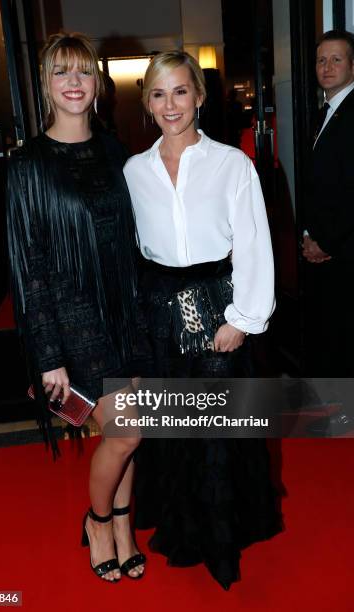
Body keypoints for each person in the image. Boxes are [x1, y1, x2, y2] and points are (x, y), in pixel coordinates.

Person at [123, 51, 282, 589]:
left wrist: (243, 317)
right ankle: (185, 529)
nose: (171, 104)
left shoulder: (232, 164)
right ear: (147, 103)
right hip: (160, 315)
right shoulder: (133, 171)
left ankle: (222, 539)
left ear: (200, 95)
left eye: (181, 91)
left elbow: (255, 244)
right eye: (159, 94)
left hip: (218, 307)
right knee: (172, 432)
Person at [6, 32, 151, 582]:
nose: (73, 82)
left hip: (128, 314)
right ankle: (96, 521)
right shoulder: (28, 166)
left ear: (98, 85)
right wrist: (48, 355)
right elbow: (29, 267)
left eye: (83, 72)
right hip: (73, 323)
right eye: (61, 72)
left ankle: (121, 525)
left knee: (132, 431)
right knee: (127, 433)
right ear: (46, 84)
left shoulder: (117, 152)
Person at [302, 30, 354, 434]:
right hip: (322, 248)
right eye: (322, 60)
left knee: (342, 336)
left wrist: (328, 242)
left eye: (336, 60)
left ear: (353, 66)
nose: (327, 67)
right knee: (328, 334)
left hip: (345, 251)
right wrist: (307, 235)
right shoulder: (325, 111)